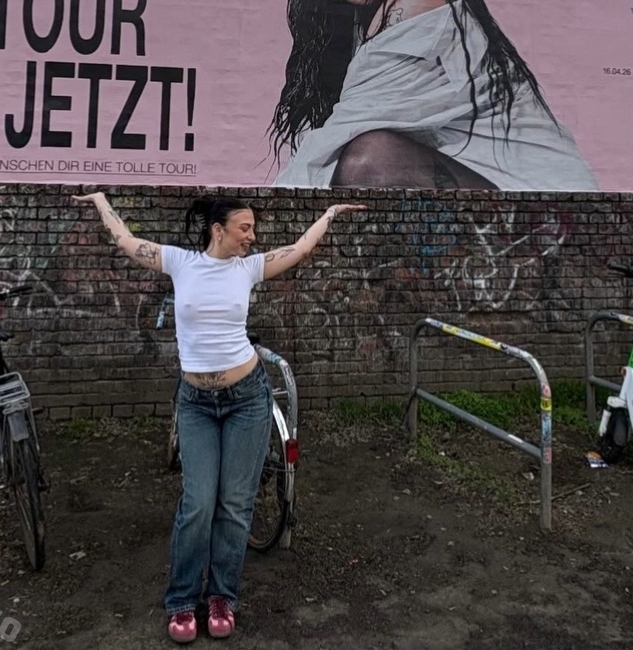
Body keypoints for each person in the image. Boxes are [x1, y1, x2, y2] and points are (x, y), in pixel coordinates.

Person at [72, 191, 367, 643]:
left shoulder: (248, 269)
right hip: (196, 403)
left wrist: (329, 214)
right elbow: (127, 241)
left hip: (247, 399)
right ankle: (181, 598)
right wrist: (100, 202)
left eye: (253, 229)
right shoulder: (179, 263)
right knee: (197, 503)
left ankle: (222, 596)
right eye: (244, 228)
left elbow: (302, 247)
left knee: (234, 504)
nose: (252, 237)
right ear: (218, 230)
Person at [268, 0, 599, 191]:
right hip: (496, 194)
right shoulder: (354, 27)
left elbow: (338, 136)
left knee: (369, 161)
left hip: (546, 203)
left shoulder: (413, 6)